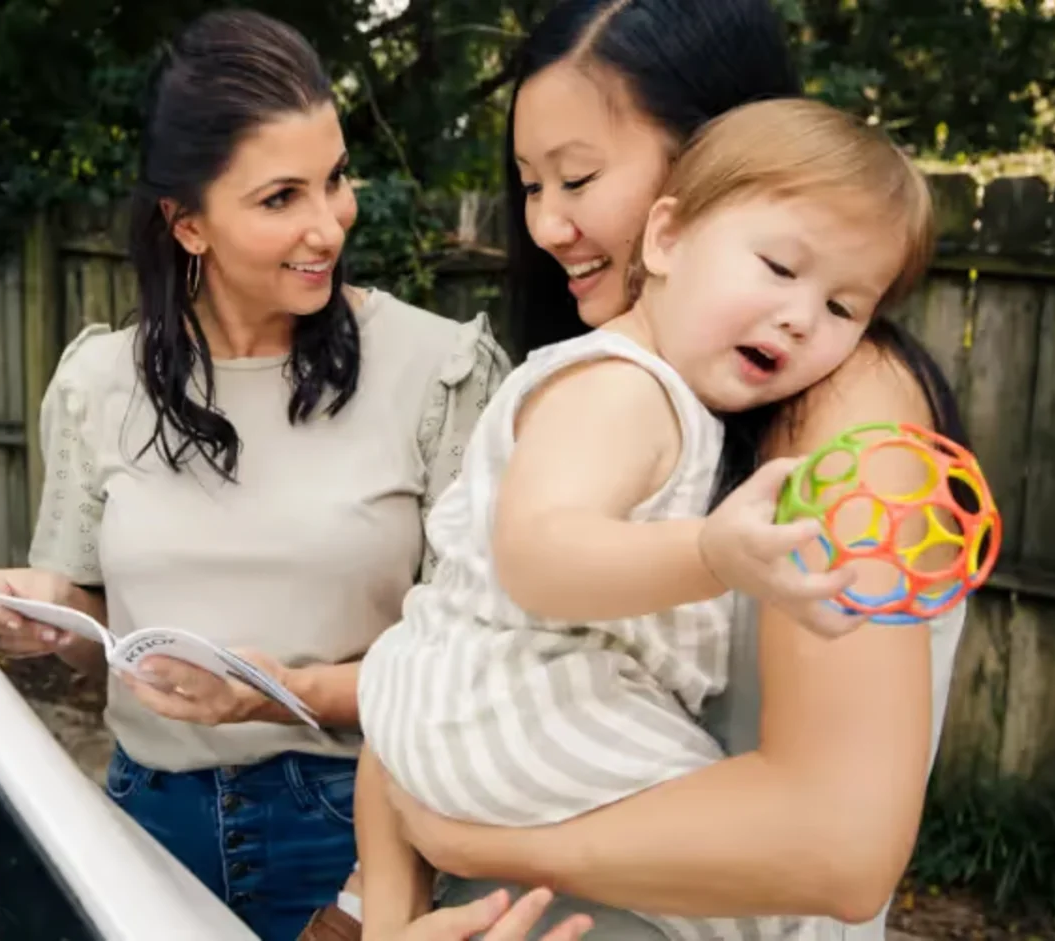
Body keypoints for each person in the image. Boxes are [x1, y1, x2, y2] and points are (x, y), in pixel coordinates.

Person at [318, 1, 973, 938]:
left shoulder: (843, 403)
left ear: (717, 161)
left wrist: (477, 843)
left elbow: (842, 849)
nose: (546, 225)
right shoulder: (635, 390)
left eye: (578, 177)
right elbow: (455, 655)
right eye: (531, 184)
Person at [0, 10, 517, 940]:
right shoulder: (99, 383)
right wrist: (39, 617)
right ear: (187, 224)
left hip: (359, 826)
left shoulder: (441, 371)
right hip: (143, 821)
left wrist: (361, 902)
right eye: (280, 198)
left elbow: (480, 663)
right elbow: (97, 628)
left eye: (335, 180)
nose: (328, 225)